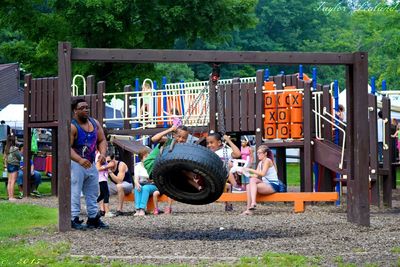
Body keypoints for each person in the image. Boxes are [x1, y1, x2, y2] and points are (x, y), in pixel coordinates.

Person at [70, 98, 108, 230]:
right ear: (75, 111)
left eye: (87, 107)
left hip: (91, 162)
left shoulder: (94, 123)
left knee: (92, 192)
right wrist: (79, 160)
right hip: (76, 163)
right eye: (82, 108)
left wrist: (102, 154)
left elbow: (102, 140)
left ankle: (93, 218)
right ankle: (73, 218)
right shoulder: (73, 126)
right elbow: (66, 147)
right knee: (75, 191)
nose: (86, 109)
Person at [143, 124, 188, 214]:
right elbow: (153, 139)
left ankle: (168, 207)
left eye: (184, 138)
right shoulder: (167, 141)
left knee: (173, 182)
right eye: (179, 136)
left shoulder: (181, 148)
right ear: (174, 135)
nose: (180, 139)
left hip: (162, 166)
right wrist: (170, 129)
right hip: (152, 162)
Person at [241, 145, 282, 215]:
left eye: (260, 153)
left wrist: (250, 169)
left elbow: (262, 173)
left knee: (251, 185)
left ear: (265, 153)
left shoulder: (268, 161)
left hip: (273, 185)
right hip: (265, 184)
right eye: (257, 153)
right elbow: (256, 175)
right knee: (249, 185)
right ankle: (249, 209)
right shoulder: (260, 163)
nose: (258, 155)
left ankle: (253, 203)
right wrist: (245, 173)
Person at [206, 132, 241, 211]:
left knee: (228, 186)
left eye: (211, 143)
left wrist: (228, 140)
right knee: (227, 169)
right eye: (208, 143)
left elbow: (238, 154)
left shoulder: (226, 151)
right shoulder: (209, 153)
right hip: (213, 177)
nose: (209, 145)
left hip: (222, 178)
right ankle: (235, 186)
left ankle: (228, 205)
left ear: (219, 142)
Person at [134, 148, 159, 216]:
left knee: (145, 188)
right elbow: (136, 179)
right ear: (141, 158)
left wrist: (150, 179)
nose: (148, 158)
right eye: (146, 157)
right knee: (137, 187)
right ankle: (137, 209)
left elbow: (156, 178)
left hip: (153, 185)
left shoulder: (153, 165)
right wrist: (137, 183)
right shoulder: (137, 166)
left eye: (149, 156)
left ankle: (142, 209)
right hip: (142, 184)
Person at [96, 152, 114, 217]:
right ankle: (107, 212)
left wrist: (106, 165)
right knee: (106, 194)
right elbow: (98, 168)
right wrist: (105, 166)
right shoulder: (98, 163)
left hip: (104, 180)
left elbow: (112, 164)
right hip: (102, 180)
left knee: (102, 195)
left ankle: (92, 204)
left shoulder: (106, 162)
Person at [5, 137, 21, 201]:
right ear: (14, 141)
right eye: (16, 140)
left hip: (9, 165)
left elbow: (5, 157)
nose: (17, 140)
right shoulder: (15, 148)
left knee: (9, 181)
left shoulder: (6, 148)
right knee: (13, 181)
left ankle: (9, 196)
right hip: (14, 165)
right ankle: (12, 197)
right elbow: (19, 157)